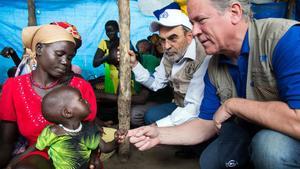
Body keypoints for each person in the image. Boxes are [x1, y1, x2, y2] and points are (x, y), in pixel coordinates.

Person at [128, 0, 300, 169]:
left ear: (234, 13)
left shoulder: (284, 39)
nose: (194, 32)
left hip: (283, 137)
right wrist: (159, 134)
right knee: (209, 162)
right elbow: (205, 123)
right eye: (192, 23)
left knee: (271, 148)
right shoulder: (215, 63)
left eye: (201, 21)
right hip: (248, 130)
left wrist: (233, 105)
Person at [0, 24, 97, 169]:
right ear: (39, 49)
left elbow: (90, 131)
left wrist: (94, 156)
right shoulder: (14, 87)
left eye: (69, 57)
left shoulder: (79, 87)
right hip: (38, 153)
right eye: (59, 54)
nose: (65, 61)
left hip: (74, 154)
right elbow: (6, 141)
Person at [7, 86, 126, 169]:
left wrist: (116, 140)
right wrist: (14, 161)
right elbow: (36, 147)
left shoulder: (89, 129)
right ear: (68, 112)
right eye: (81, 99)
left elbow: (105, 147)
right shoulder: (53, 132)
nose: (86, 101)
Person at [128, 9, 210, 127]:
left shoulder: (203, 55)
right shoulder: (169, 55)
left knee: (156, 122)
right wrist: (135, 65)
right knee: (148, 115)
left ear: (189, 36)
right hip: (179, 105)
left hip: (199, 112)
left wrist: (157, 126)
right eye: (162, 39)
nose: (166, 46)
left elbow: (195, 107)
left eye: (173, 38)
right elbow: (156, 83)